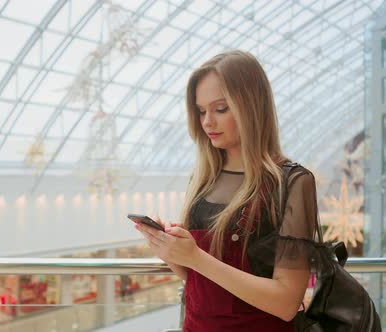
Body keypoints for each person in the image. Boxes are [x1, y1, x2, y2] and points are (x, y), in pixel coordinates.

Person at [134, 50, 322, 331]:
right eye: (201, 111)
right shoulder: (203, 179)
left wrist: (196, 257)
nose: (207, 121)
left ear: (252, 106)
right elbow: (199, 279)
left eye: (221, 108)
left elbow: (285, 303)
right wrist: (171, 250)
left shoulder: (291, 182)